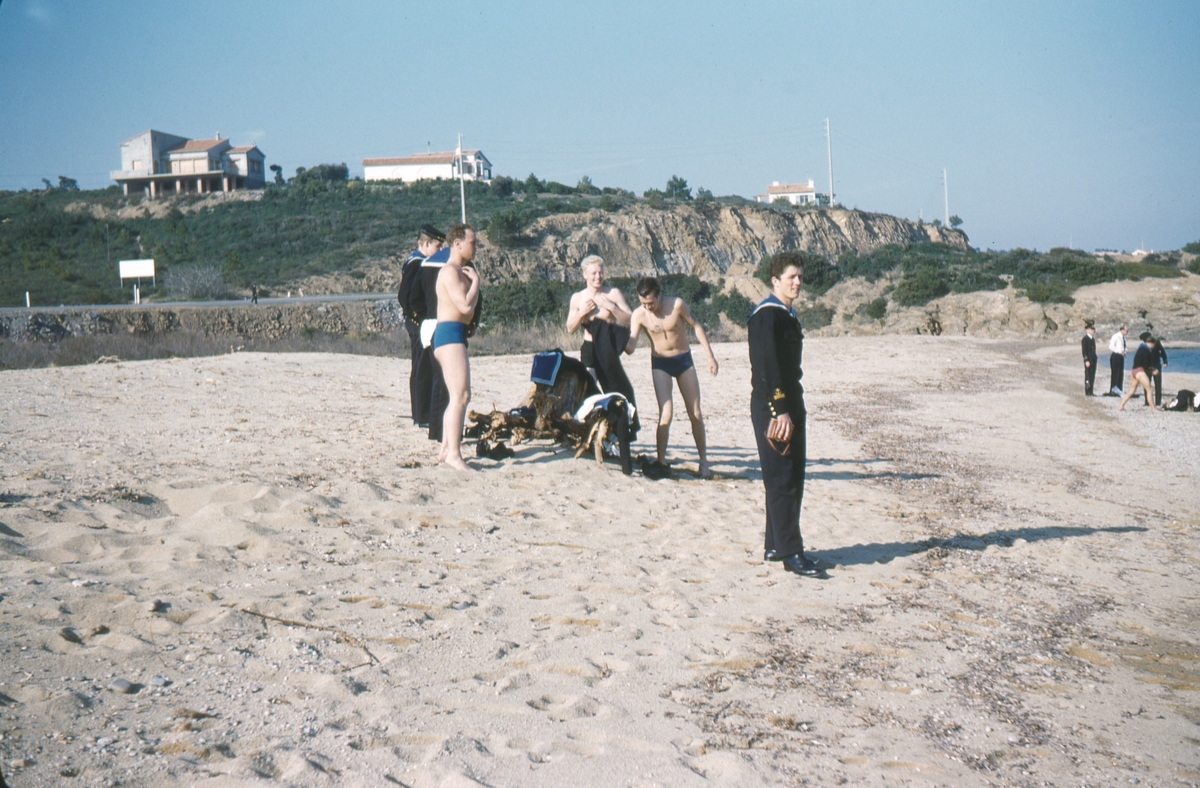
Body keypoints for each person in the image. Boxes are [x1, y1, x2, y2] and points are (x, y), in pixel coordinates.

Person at [748, 252, 826, 579]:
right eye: (791, 277)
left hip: (790, 402)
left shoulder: (786, 314)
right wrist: (779, 411)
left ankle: (775, 544)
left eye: (800, 277)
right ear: (775, 281)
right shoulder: (768, 316)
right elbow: (766, 366)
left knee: (790, 476)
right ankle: (791, 552)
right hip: (774, 406)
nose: (797, 282)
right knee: (782, 478)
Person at [625, 276, 720, 477]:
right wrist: (616, 341)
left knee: (695, 413)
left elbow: (696, 326)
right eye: (643, 303)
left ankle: (703, 461)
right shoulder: (639, 315)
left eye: (651, 302)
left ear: (659, 295)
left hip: (683, 360)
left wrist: (710, 356)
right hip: (660, 363)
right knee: (666, 413)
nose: (648, 307)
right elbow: (631, 346)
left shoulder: (676, 305)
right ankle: (661, 461)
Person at [566, 255, 639, 437]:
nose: (598, 277)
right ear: (585, 275)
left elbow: (630, 319)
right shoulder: (578, 298)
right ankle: (586, 430)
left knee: (617, 390)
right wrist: (582, 313)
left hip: (608, 348)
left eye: (601, 273)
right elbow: (570, 328)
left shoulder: (613, 293)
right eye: (594, 273)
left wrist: (612, 308)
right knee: (588, 389)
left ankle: (621, 430)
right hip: (590, 347)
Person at [432, 224, 480, 470]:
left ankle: (446, 449)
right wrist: (476, 283)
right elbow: (465, 307)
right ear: (457, 243)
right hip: (448, 334)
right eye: (472, 242)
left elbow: (468, 314)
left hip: (454, 333)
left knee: (458, 396)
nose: (476, 247)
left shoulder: (459, 272)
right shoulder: (450, 271)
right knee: (461, 396)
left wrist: (472, 284)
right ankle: (453, 454)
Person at [398, 224, 445, 427]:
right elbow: (406, 296)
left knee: (420, 366)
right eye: (437, 245)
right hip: (419, 322)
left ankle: (420, 413)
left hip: (419, 321)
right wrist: (420, 319)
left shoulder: (416, 260)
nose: (440, 250)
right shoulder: (417, 264)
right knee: (423, 367)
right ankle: (423, 415)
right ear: (424, 243)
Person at [1119, 335, 1159, 412]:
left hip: (1134, 370)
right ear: (1151, 343)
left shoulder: (1140, 349)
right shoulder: (1147, 351)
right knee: (1149, 390)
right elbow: (1146, 365)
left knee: (1131, 390)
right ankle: (1153, 408)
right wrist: (1152, 371)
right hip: (1140, 371)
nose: (1154, 347)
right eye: (1154, 345)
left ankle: (1121, 405)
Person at [1108, 325, 1128, 396]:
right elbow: (1111, 346)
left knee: (1120, 373)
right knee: (1115, 373)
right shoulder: (1116, 336)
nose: (1127, 332)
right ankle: (1113, 390)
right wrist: (1119, 351)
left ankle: (1119, 389)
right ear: (1122, 330)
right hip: (1115, 356)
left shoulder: (1123, 338)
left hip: (1121, 356)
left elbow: (1124, 346)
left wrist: (1125, 351)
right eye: (1126, 331)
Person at [1081, 320, 1098, 396]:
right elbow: (1084, 351)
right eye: (1091, 329)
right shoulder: (1085, 339)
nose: (1093, 331)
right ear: (1087, 330)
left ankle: (1091, 391)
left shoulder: (1092, 339)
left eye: (1093, 329)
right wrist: (1086, 360)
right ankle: (1087, 391)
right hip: (1088, 360)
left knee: (1092, 375)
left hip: (1093, 359)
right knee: (1088, 375)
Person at [1152, 335, 1169, 407]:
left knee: (1158, 385)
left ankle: (1158, 402)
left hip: (1156, 365)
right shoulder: (1145, 345)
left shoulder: (1157, 343)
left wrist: (1165, 362)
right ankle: (1147, 401)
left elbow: (1163, 352)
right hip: (1148, 365)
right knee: (1147, 384)